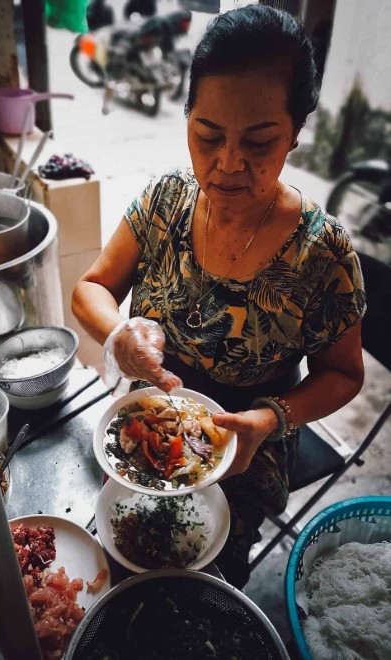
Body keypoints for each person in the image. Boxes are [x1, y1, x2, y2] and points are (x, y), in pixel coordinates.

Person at [72, 4, 366, 587]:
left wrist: (270, 418)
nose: (228, 164)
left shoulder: (323, 254)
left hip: (251, 435)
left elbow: (344, 374)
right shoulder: (165, 202)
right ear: (186, 117)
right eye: (207, 135)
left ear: (296, 132)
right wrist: (120, 334)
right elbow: (92, 288)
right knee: (108, 559)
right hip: (147, 412)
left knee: (198, 581)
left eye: (260, 142)